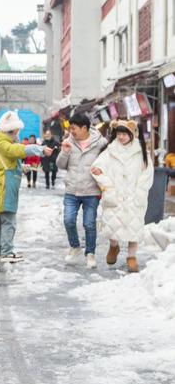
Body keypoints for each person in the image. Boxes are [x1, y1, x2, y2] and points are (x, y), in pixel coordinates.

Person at [0, 111, 52, 263]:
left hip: (0, 186)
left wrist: (22, 167)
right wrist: (39, 149)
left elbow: (5, 164)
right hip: (3, 188)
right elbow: (16, 151)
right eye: (16, 132)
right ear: (11, 131)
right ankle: (7, 252)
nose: (17, 135)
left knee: (1, 221)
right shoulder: (3, 144)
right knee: (8, 221)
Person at [91, 120, 153, 273]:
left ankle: (132, 257)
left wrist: (140, 191)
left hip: (134, 196)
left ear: (132, 134)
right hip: (115, 195)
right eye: (119, 133)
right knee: (112, 227)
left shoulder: (141, 151)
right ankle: (114, 246)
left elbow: (147, 174)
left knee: (134, 228)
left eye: (125, 134)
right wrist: (107, 185)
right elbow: (95, 168)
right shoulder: (109, 151)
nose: (121, 137)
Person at [56, 113, 107, 269]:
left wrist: (102, 172)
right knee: (68, 220)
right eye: (70, 128)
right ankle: (75, 247)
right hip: (72, 190)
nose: (72, 131)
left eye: (74, 128)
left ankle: (90, 254)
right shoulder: (68, 142)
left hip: (92, 191)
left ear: (84, 128)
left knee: (89, 224)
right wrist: (64, 152)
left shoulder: (101, 143)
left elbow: (108, 164)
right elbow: (60, 165)